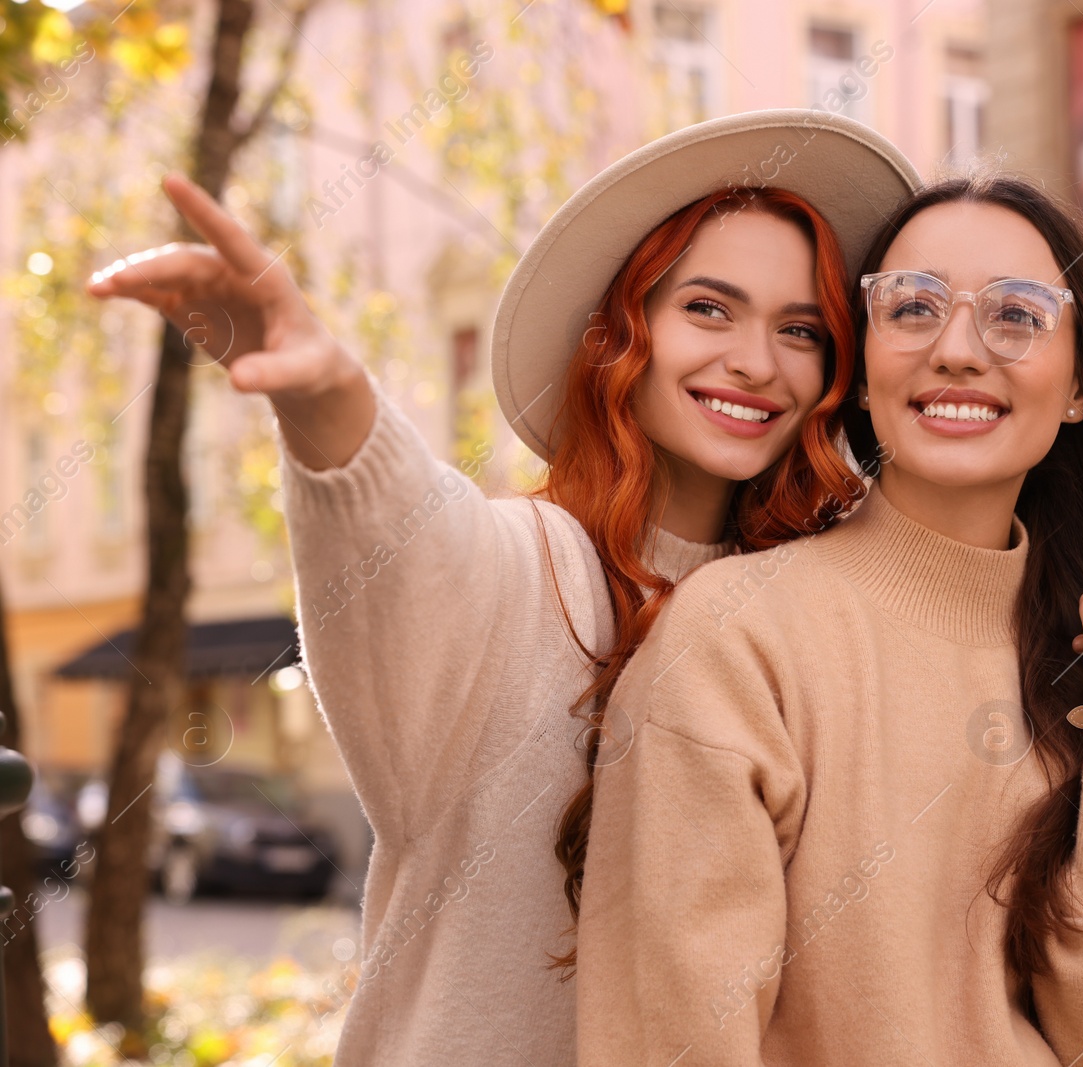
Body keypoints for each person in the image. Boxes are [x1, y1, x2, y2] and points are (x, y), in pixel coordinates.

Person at [84, 111, 918, 1066]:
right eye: (708, 309)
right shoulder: (522, 570)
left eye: (800, 328)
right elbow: (405, 533)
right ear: (626, 332)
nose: (756, 361)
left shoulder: (824, 608)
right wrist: (322, 395)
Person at [575, 172, 1083, 1065]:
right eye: (912, 307)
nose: (956, 348)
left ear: (1078, 387)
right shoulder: (740, 637)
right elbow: (670, 1038)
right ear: (861, 371)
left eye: (1017, 315)